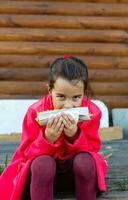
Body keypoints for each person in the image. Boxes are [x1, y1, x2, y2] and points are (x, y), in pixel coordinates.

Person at [0, 55, 107, 200]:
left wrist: (75, 135)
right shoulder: (34, 112)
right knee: (43, 164)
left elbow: (92, 149)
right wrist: (47, 139)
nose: (68, 105)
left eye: (76, 97)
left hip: (74, 175)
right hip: (41, 177)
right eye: (61, 97)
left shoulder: (92, 113)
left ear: (84, 93)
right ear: (50, 90)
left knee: (85, 162)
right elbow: (26, 154)